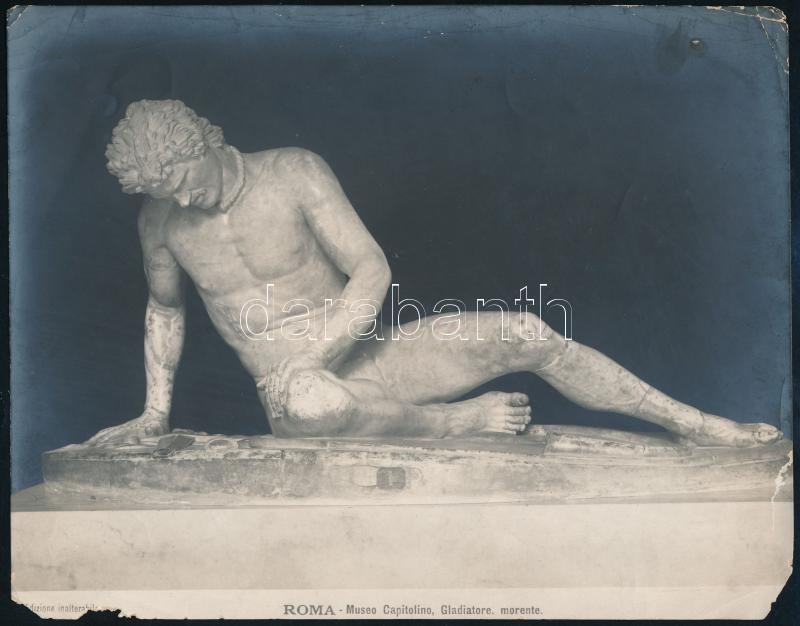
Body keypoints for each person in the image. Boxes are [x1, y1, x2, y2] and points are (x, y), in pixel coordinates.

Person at [89, 99, 782, 447]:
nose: (184, 201)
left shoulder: (293, 172)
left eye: (185, 180)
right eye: (167, 194)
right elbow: (165, 309)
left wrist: (317, 349)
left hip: (375, 353)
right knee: (312, 402)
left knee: (526, 331)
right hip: (298, 396)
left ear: (205, 139)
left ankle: (696, 425)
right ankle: (457, 423)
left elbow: (371, 269)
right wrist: (155, 414)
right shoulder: (160, 223)